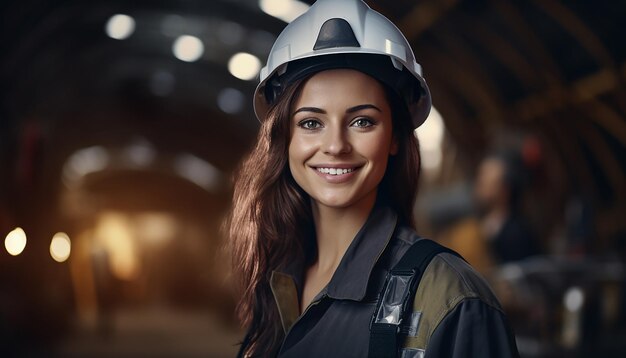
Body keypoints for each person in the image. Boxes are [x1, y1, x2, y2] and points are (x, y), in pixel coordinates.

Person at [226, 0, 519, 356]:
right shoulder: (278, 279)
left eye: (362, 121)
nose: (335, 145)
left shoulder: (452, 300)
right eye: (311, 123)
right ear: (284, 139)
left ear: (395, 137)